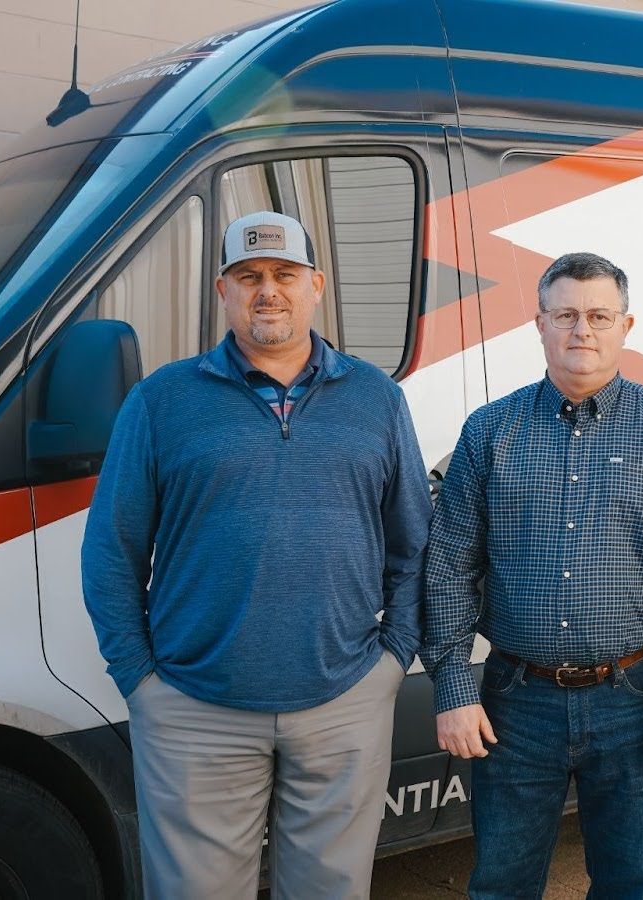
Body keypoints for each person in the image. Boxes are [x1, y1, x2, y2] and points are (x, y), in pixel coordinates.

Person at [82, 210, 432, 898]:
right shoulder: (161, 401)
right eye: (248, 276)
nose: (267, 290)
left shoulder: (377, 399)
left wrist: (392, 663)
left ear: (316, 287)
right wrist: (141, 683)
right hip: (194, 707)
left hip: (345, 701)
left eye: (283, 274)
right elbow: (112, 552)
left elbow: (414, 546)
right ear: (223, 292)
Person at [422, 252, 643, 899]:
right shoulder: (490, 433)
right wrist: (454, 686)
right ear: (538, 323)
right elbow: (451, 567)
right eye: (565, 315)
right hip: (514, 702)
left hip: (634, 698)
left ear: (626, 325)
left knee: (624, 883)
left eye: (599, 315)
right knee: (502, 882)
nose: (581, 331)